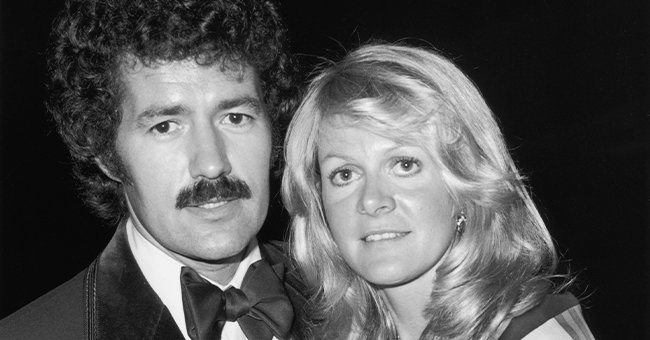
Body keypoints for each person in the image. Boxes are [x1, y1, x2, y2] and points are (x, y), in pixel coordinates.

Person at [0, 0, 307, 339]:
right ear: (106, 152)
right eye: (165, 126)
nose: (212, 163)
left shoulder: (350, 295)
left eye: (235, 118)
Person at [282, 43, 594, 339]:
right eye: (345, 174)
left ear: (465, 183)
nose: (372, 200)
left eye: (404, 165)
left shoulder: (533, 331)